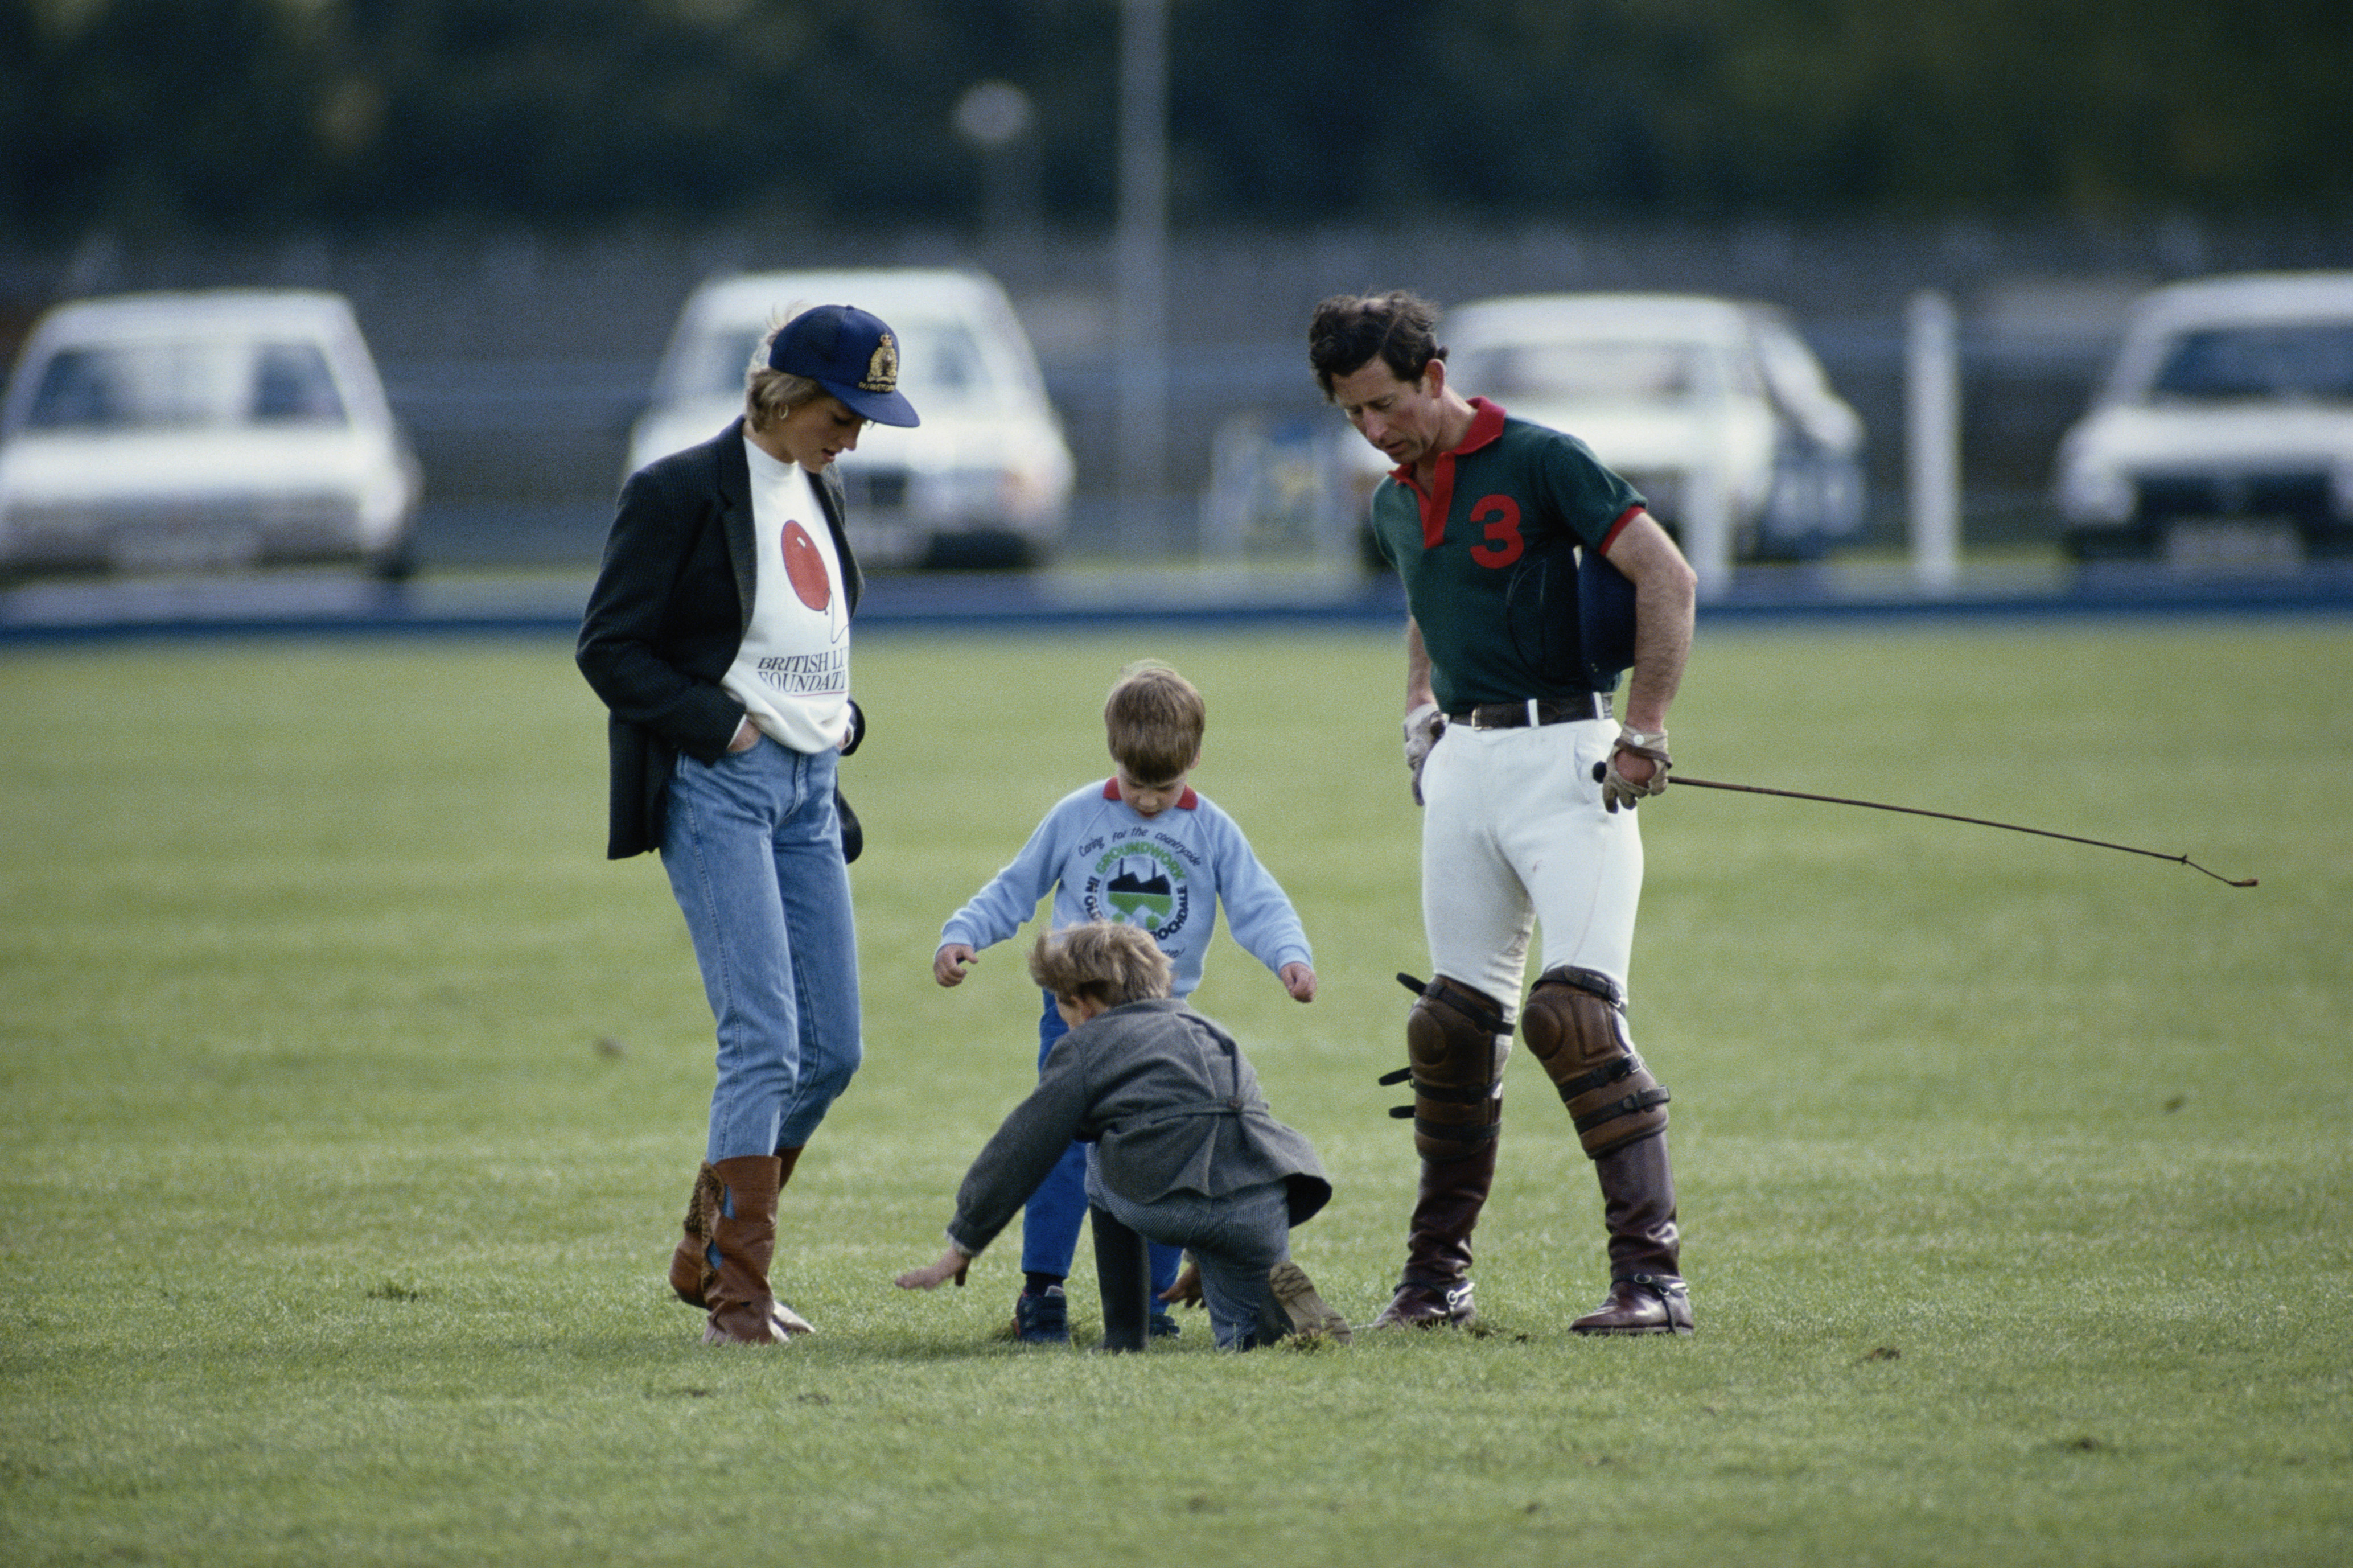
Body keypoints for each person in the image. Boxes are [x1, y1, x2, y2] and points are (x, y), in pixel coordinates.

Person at [1307, 290, 1701, 1336]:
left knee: (1571, 1020)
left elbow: (1664, 575)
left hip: (1572, 757)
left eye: (1384, 404)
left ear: (1432, 375)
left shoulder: (1540, 458)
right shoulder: (1392, 500)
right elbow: (1423, 608)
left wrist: (1646, 729)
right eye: (1351, 414)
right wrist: (1415, 716)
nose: (1373, 431)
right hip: (1466, 768)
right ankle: (1435, 1283)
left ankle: (1651, 1283)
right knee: (1447, 1033)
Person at [575, 302, 918, 1345]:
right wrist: (720, 730)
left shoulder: (822, 488)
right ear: (785, 394)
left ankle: (705, 1249)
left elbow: (802, 631)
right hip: (718, 786)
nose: (854, 435)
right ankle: (736, 1301)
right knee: (763, 1040)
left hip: (810, 791)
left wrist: (837, 716)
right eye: (844, 412)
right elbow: (610, 649)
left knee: (833, 1051)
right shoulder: (675, 490)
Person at [933, 661, 1317, 1343]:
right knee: (1060, 1153)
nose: (1146, 801)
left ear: (1194, 760)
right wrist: (963, 934)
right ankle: (1042, 1292)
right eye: (1136, 784)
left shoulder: (1212, 829)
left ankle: (1153, 1302)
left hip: (1164, 1025)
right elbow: (1014, 889)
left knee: (1165, 1154)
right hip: (1075, 1019)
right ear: (1114, 754)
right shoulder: (1078, 816)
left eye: (1163, 787)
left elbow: (1259, 902)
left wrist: (1290, 957)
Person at [898, 922, 1348, 1351]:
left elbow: (1023, 1144)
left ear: (1084, 1004)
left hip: (1170, 1203)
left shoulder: (1085, 1045)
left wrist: (965, 1242)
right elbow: (1218, 1131)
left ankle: (1125, 1337)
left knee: (1095, 1147)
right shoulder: (1207, 1028)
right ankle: (1278, 1327)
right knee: (1242, 1332)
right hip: (1264, 1196)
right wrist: (1206, 1256)